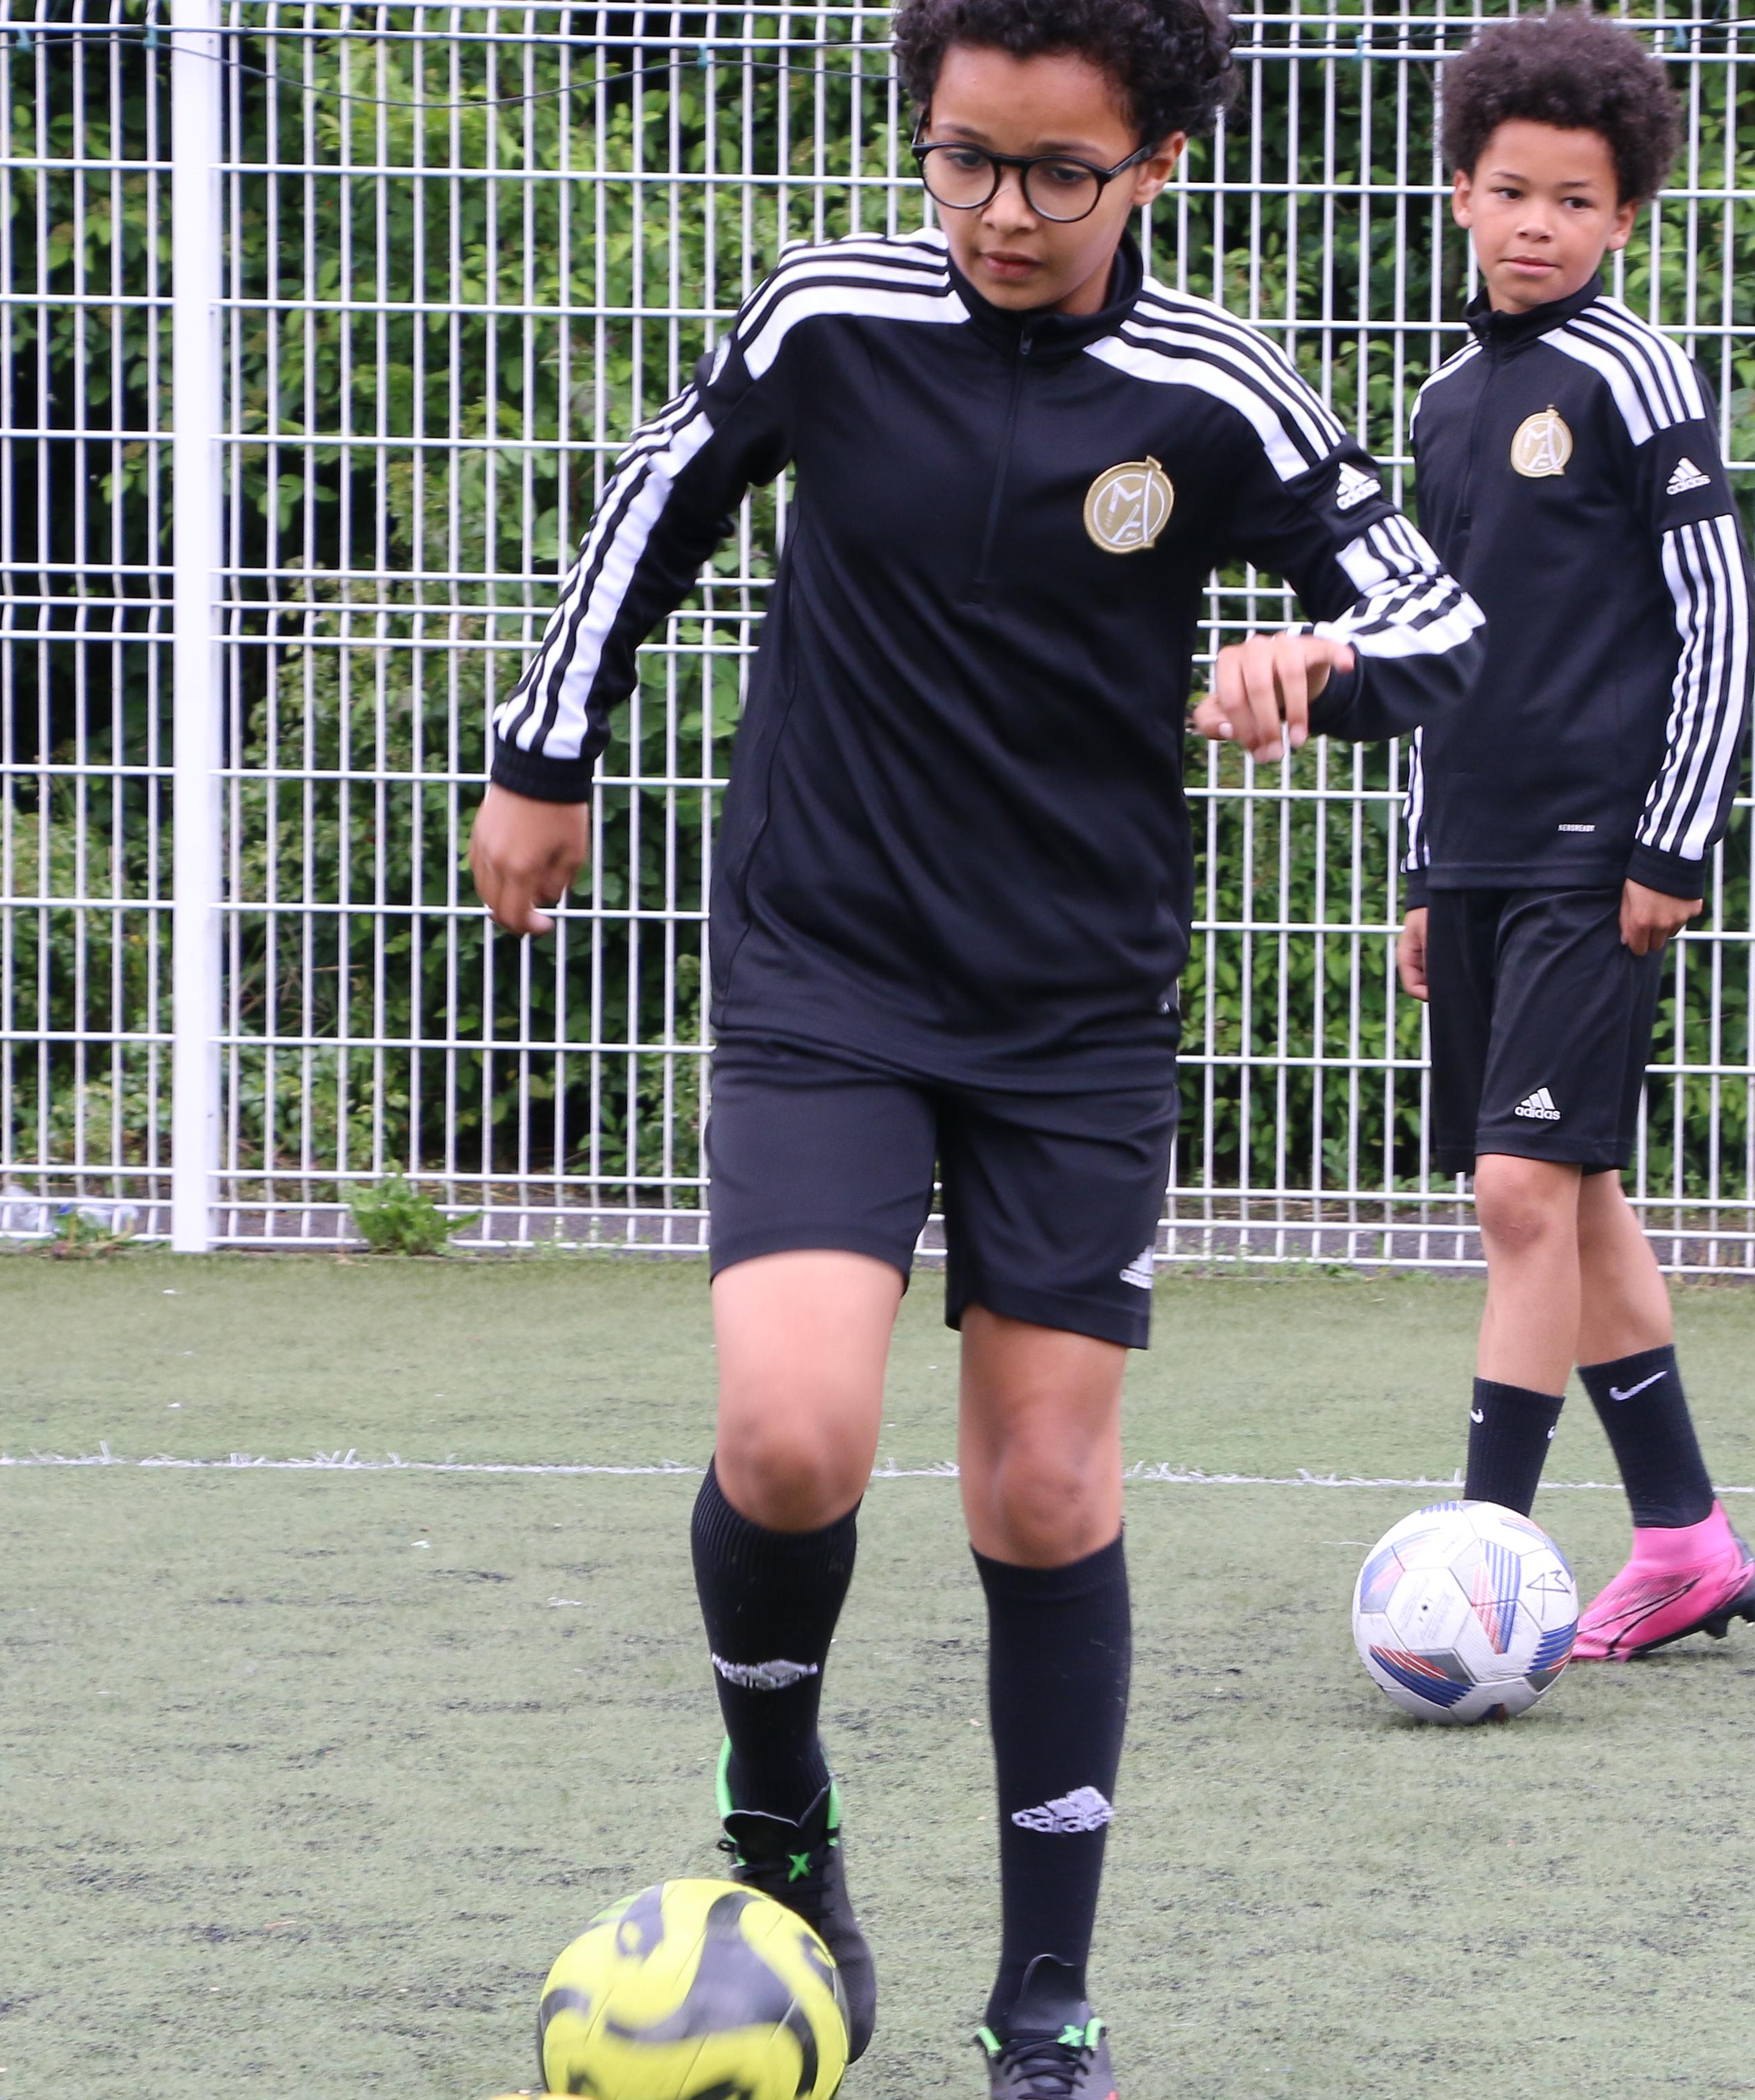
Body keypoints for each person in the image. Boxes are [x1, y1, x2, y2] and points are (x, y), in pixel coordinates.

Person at [468, 0, 1484, 2082]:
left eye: (1053, 173)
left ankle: (1044, 2000)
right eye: (960, 158)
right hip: (829, 974)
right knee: (792, 1437)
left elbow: (1444, 627)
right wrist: (541, 755)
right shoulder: (828, 321)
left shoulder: (1214, 390)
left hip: (1073, 1012)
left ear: (1156, 166)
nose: (998, 213)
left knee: (1040, 1485)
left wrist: (1322, 660)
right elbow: (652, 506)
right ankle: (778, 1811)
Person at [1393, 10, 1755, 1661]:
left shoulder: (1634, 374)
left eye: (1576, 199)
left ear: (1626, 219)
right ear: (1460, 193)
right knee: (1578, 1198)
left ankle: (1485, 1566)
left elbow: (1720, 614)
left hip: (1592, 851)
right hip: (1471, 855)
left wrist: (1672, 841)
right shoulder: (1446, 398)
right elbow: (1425, 645)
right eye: (1511, 189)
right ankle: (1685, 1538)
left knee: (1518, 1195)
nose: (1539, 222)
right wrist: (1418, 869)